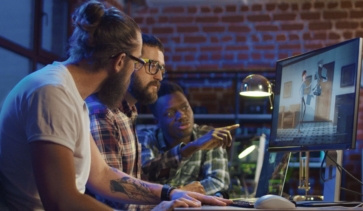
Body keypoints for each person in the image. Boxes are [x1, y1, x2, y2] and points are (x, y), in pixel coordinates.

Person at [0, 1, 231, 210]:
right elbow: (63, 201)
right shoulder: (52, 93)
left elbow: (102, 175)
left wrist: (169, 192)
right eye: (138, 63)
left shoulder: (69, 94)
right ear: (120, 61)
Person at [85, 33, 165, 210]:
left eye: (162, 69)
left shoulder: (128, 112)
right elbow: (114, 200)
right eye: (152, 65)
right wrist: (167, 199)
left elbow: (134, 181)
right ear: (126, 63)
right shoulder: (102, 113)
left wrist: (174, 193)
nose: (159, 77)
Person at [138, 81, 239, 195]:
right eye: (170, 113)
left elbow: (218, 182)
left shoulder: (207, 135)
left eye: (185, 107)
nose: (181, 115)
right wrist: (192, 147)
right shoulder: (145, 138)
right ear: (158, 121)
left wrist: (180, 193)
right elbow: (143, 178)